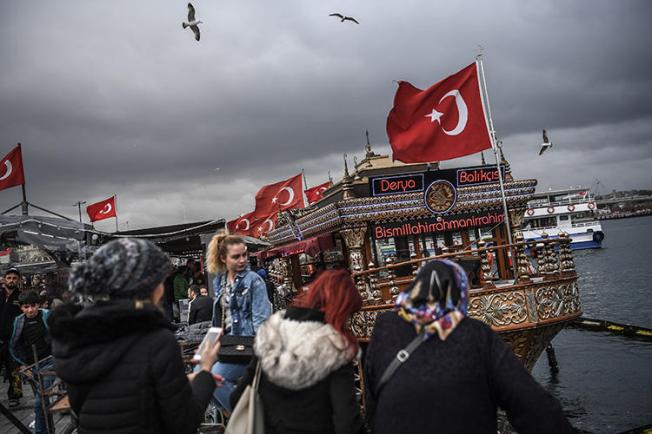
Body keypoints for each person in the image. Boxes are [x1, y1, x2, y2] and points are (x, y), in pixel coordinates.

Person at [364, 259, 574, 434]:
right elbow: (533, 407)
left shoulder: (384, 329)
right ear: (459, 293)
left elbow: (373, 408)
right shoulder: (475, 334)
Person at [49, 238, 222, 434]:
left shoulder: (77, 335)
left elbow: (101, 402)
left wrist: (179, 383)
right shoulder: (157, 341)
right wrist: (206, 371)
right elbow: (184, 422)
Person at [231, 269, 365, 434]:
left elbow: (237, 397)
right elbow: (347, 421)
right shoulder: (334, 347)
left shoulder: (273, 332)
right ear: (342, 310)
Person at [204, 231, 271, 412]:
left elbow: (261, 321)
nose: (242, 260)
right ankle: (245, 415)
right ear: (223, 258)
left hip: (246, 348)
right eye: (236, 256)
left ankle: (250, 418)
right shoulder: (220, 280)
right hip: (227, 346)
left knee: (212, 379)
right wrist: (205, 351)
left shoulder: (254, 281)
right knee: (198, 377)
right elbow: (217, 319)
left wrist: (262, 358)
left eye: (244, 255)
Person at [10, 291, 52, 434]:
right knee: (42, 401)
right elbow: (15, 345)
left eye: (33, 306)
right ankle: (48, 428)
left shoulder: (47, 315)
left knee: (39, 402)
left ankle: (40, 431)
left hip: (50, 363)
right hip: (31, 366)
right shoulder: (19, 321)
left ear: (38, 305)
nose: (30, 310)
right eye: (26, 307)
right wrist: (22, 365)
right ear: (21, 308)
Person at [0, 267, 24, 407]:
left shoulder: (21, 297)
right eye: (9, 278)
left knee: (14, 371)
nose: (11, 280)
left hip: (14, 341)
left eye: (14, 278)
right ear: (4, 279)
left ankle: (14, 396)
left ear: (18, 280)